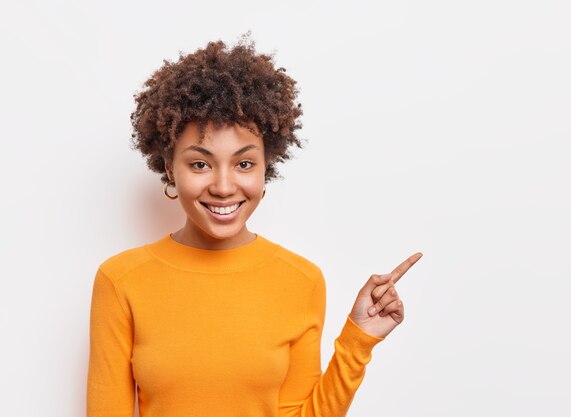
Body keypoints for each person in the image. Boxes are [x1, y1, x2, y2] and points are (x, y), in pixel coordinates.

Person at [86, 35, 422, 417]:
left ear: (267, 167)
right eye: (200, 164)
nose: (224, 186)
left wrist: (358, 341)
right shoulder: (121, 280)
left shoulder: (302, 281)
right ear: (168, 168)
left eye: (244, 164)